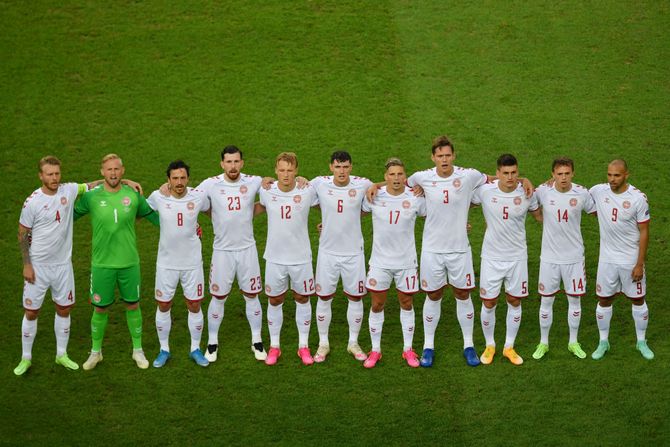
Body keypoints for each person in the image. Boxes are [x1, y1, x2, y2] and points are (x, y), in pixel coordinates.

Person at [75, 154, 159, 370]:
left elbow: (153, 216)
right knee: (100, 309)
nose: (113, 173)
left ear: (123, 171)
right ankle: (96, 352)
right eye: (109, 170)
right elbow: (68, 215)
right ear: (102, 172)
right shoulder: (91, 197)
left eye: (116, 169)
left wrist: (182, 227)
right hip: (102, 264)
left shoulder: (133, 194)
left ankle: (138, 350)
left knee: (133, 304)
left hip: (129, 262)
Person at [14, 156, 91, 375]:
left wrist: (125, 182)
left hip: (63, 266)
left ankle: (61, 355)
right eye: (50, 174)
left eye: (57, 173)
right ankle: (26, 358)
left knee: (64, 309)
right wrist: (26, 265)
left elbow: (93, 185)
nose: (55, 178)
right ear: (41, 176)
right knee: (31, 312)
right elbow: (22, 233)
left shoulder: (69, 190)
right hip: (38, 266)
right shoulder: (33, 202)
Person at [195, 146, 267, 362]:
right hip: (222, 251)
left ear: (242, 163)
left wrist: (299, 179)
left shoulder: (253, 181)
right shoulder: (210, 184)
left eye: (236, 162)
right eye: (229, 162)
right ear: (222, 164)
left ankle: (257, 340)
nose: (233, 166)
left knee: (252, 295)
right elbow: (191, 198)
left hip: (247, 249)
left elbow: (272, 192)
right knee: (218, 296)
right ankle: (212, 342)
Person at [471, 154, 541, 366]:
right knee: (489, 302)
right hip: (491, 257)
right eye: (505, 173)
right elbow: (458, 200)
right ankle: (490, 345)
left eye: (514, 173)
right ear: (498, 174)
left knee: (514, 300)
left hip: (517, 257)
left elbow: (541, 217)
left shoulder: (528, 193)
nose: (510, 177)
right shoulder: (484, 191)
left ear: (517, 173)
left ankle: (509, 346)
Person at [361, 158, 426, 368]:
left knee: (406, 304)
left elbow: (434, 217)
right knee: (377, 304)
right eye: (392, 174)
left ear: (405, 177)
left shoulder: (416, 198)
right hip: (380, 262)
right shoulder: (374, 196)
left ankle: (408, 349)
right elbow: (352, 214)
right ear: (385, 177)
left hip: (406, 262)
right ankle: (375, 350)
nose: (396, 178)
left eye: (400, 174)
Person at [310, 151, 372, 363]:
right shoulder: (319, 183)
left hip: (354, 253)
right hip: (327, 252)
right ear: (331, 168)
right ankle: (323, 343)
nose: (342, 171)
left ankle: (353, 343)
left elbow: (383, 188)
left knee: (355, 298)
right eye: (338, 167)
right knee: (324, 297)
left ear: (351, 167)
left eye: (345, 167)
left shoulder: (363, 184)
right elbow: (299, 192)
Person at [257, 152, 319, 366]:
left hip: (301, 258)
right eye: (282, 170)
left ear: (297, 171)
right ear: (275, 170)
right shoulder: (266, 190)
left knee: (302, 299)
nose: (286, 174)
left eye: (290, 170)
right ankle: (275, 346)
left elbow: (330, 203)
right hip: (274, 258)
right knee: (274, 300)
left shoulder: (307, 190)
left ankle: (303, 346)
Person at [147, 160, 211, 368]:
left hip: (192, 263)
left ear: (188, 179)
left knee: (194, 304)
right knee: (164, 304)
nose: (179, 182)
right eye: (175, 178)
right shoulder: (158, 197)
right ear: (168, 180)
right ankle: (164, 349)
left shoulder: (199, 196)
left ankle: (195, 348)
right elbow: (140, 212)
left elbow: (214, 210)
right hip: (166, 263)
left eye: (183, 178)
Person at [532, 158, 595, 360]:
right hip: (549, 258)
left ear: (573, 174)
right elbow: (531, 206)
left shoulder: (582, 193)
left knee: (574, 300)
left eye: (567, 173)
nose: (564, 178)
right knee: (546, 300)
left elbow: (597, 212)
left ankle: (573, 342)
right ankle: (543, 342)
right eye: (559, 174)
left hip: (574, 258)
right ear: (553, 174)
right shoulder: (543, 191)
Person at [589, 159, 653, 360]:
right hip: (607, 260)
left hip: (630, 260)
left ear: (627, 175)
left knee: (637, 299)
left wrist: (639, 264)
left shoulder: (638, 198)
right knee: (604, 299)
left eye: (616, 175)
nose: (612, 179)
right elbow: (574, 191)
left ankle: (641, 342)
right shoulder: (599, 191)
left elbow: (644, 232)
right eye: (609, 175)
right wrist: (550, 181)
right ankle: (603, 342)